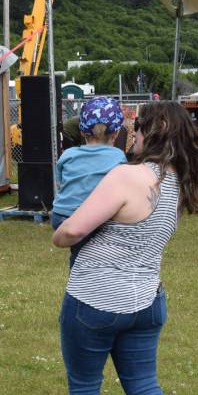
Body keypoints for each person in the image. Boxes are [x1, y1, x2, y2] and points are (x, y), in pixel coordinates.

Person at [52, 101, 198, 395]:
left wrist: (58, 235)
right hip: (146, 301)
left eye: (138, 126)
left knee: (84, 388)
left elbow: (72, 229)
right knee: (145, 387)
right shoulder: (179, 181)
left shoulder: (127, 175)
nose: (132, 133)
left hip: (94, 300)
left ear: (153, 131)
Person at [51, 97, 126, 267]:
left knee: (80, 252)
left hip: (61, 215)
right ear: (115, 133)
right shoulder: (118, 157)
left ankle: (81, 272)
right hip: (93, 218)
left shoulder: (68, 155)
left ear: (82, 131)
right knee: (92, 254)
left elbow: (61, 182)